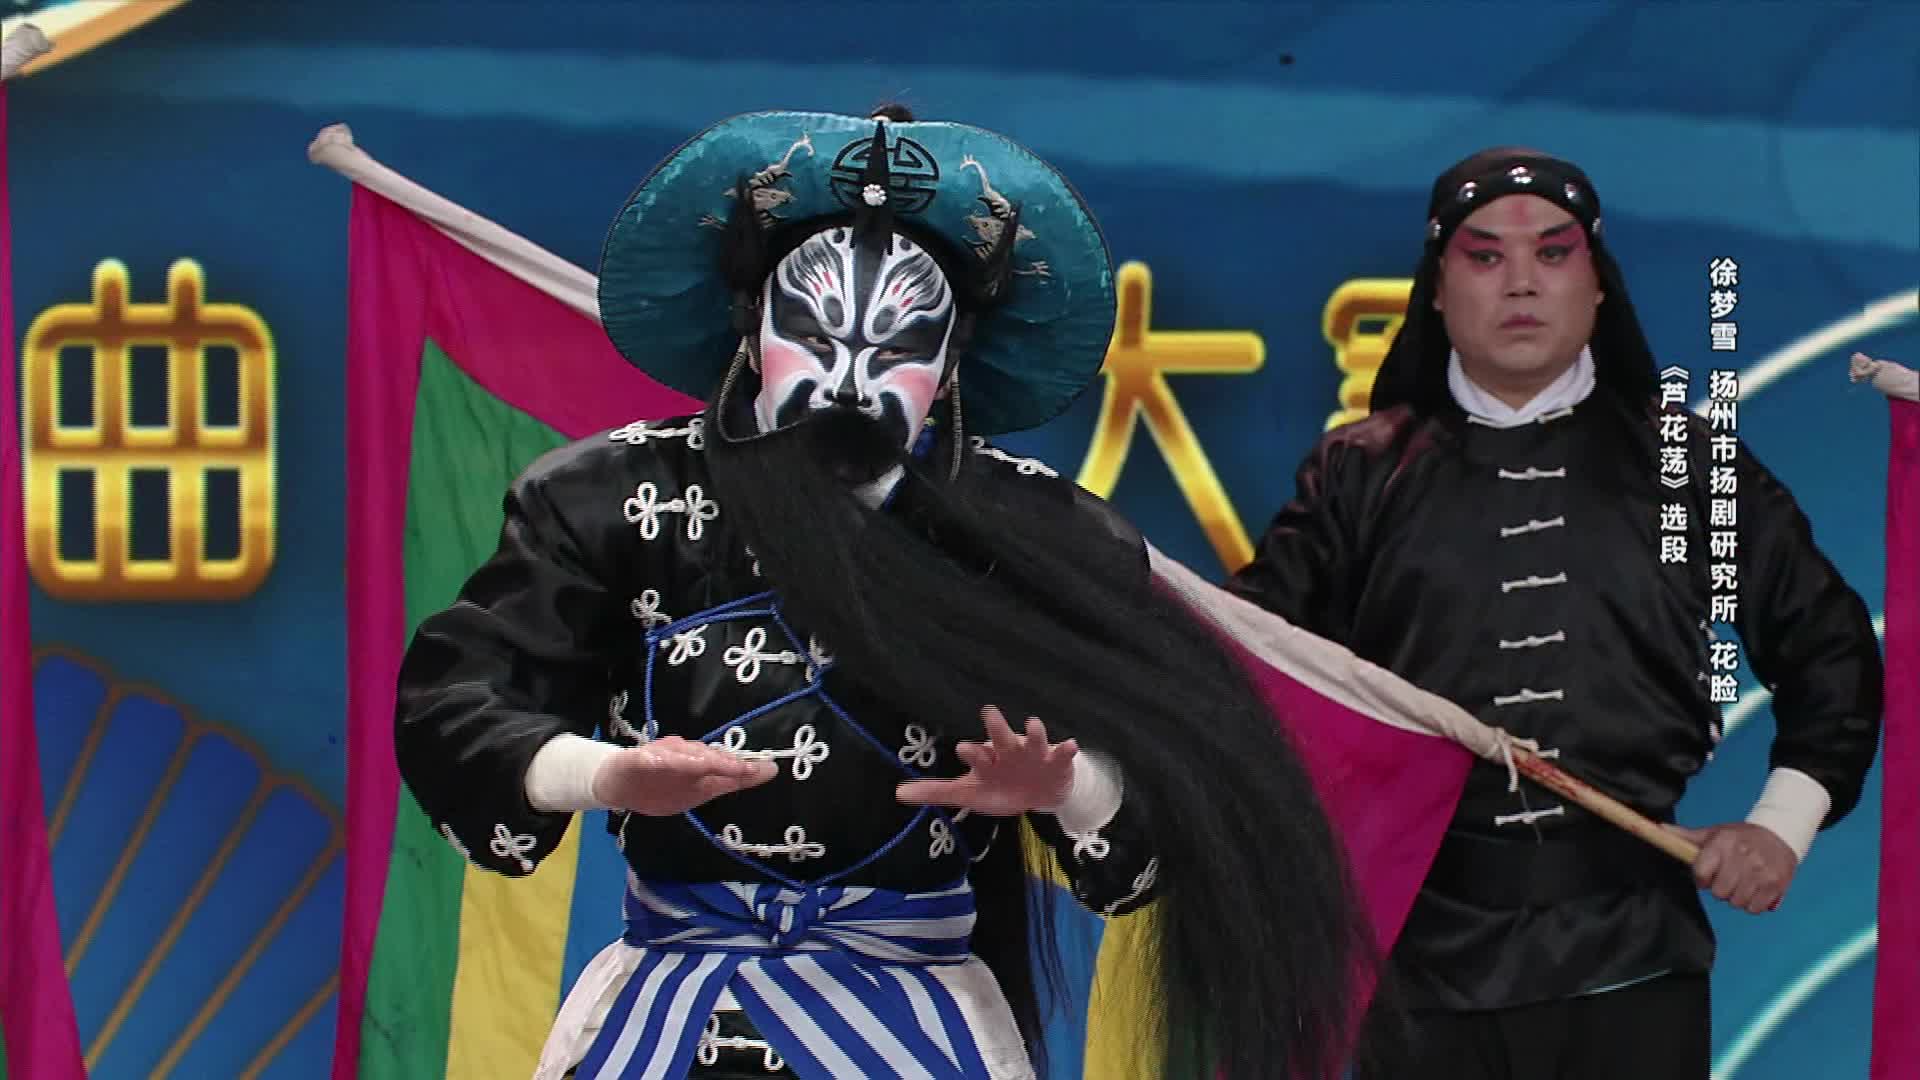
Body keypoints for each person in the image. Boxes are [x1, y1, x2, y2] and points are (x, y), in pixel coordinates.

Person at [393, 105, 1371, 1080]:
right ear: (750, 326)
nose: (850, 383)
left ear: (952, 360)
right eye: (811, 335)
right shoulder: (613, 501)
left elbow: (1171, 794)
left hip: (918, 1021)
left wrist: (1062, 788)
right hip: (671, 1007)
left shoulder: (1041, 536)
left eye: (899, 347)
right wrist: (607, 776)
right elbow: (459, 700)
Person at [1226, 147, 1885, 1079]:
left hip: (1633, 958)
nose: (1522, 283)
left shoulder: (1690, 468)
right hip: (1412, 964)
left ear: (1598, 282)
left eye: (1553, 252)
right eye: (1484, 256)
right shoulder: (1357, 477)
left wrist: (1779, 824)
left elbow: (1833, 653)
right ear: (1437, 289)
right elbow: (1248, 670)